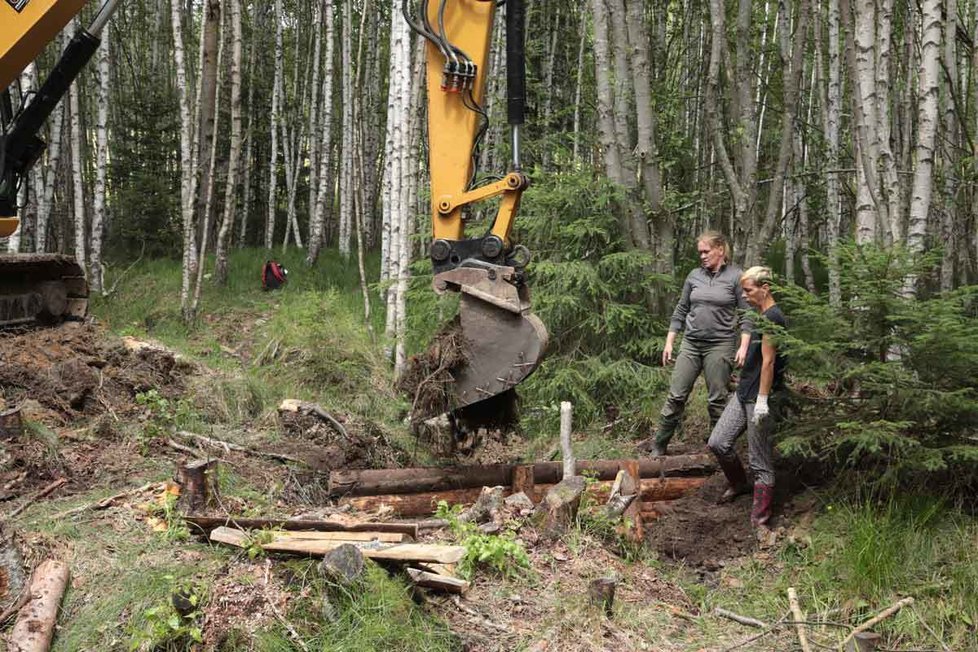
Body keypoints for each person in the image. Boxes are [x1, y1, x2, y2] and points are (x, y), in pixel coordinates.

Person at [640, 231, 751, 456]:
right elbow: (681, 309)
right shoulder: (694, 276)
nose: (702, 256)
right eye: (700, 252)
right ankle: (659, 445)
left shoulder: (735, 277)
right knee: (677, 395)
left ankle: (718, 449)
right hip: (691, 343)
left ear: (720, 250)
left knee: (716, 399)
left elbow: (747, 314)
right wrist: (670, 341)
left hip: (721, 344)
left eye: (706, 251)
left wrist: (743, 346)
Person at [707, 266, 788, 528]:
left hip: (759, 397)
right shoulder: (759, 314)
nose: (745, 295)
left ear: (765, 289)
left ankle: (760, 522)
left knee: (760, 462)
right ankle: (740, 484)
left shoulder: (773, 317)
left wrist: (763, 400)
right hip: (744, 392)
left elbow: (769, 363)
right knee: (718, 442)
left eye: (748, 290)